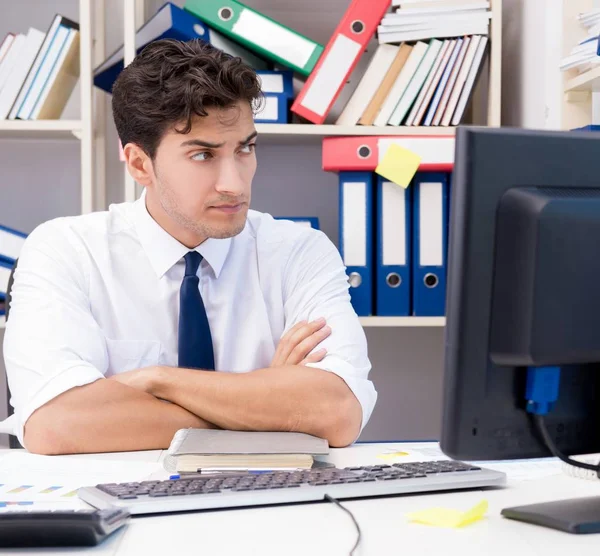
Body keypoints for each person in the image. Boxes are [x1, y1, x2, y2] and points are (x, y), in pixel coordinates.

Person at [3, 39, 376, 455]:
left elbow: (337, 412)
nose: (234, 184)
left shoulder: (299, 252)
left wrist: (160, 380)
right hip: (119, 505)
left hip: (270, 504)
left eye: (245, 148)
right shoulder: (65, 250)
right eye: (202, 155)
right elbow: (57, 424)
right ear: (140, 164)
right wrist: (262, 404)